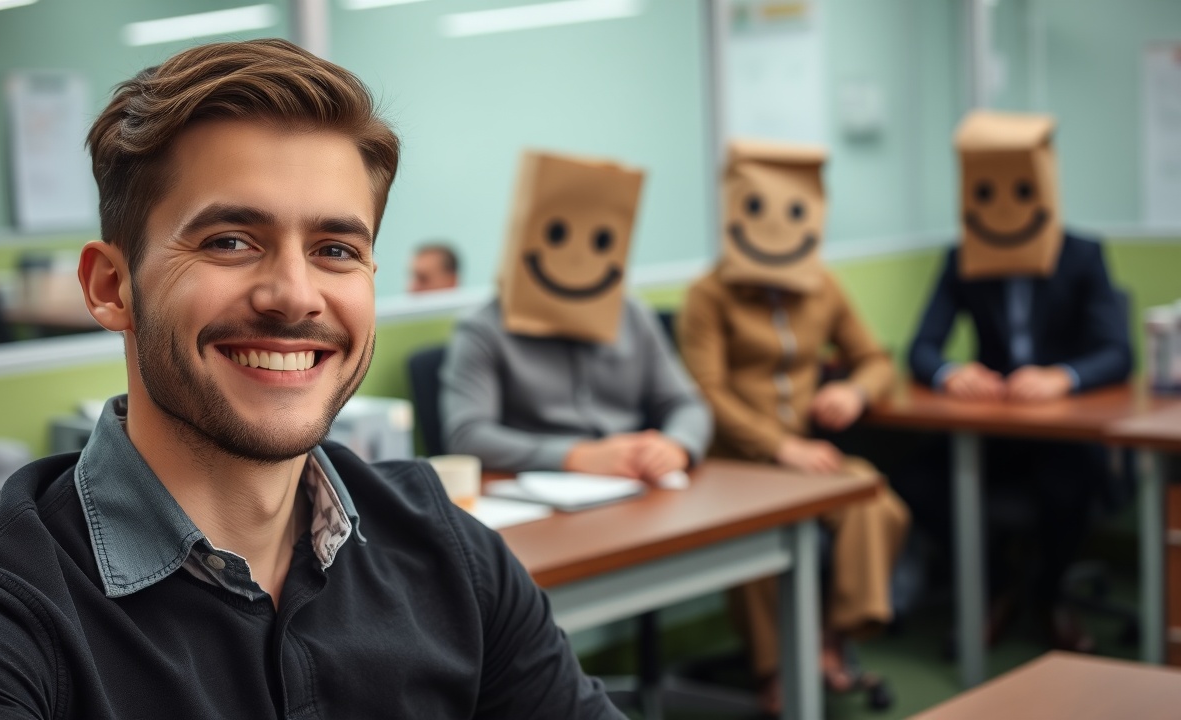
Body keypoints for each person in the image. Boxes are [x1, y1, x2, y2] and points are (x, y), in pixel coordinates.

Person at [0, 40, 621, 719]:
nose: (294, 294)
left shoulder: (453, 557)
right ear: (112, 287)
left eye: (335, 248)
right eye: (230, 241)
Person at [677, 140, 908, 713]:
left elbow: (876, 359)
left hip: (808, 453)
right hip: (735, 458)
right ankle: (774, 669)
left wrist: (853, 390)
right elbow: (707, 391)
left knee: (880, 506)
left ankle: (832, 638)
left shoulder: (821, 285)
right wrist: (778, 445)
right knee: (760, 531)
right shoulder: (708, 294)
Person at [901, 110, 1133, 651]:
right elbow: (921, 348)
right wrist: (949, 371)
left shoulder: (1083, 256)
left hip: (1065, 433)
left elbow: (1118, 352)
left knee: (1066, 487)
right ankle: (998, 587)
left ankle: (1051, 596)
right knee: (917, 481)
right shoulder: (963, 259)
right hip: (995, 428)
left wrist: (1065, 377)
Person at [442, 149, 710, 484]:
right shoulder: (482, 328)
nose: (577, 259)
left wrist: (675, 446)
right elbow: (467, 435)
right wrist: (577, 456)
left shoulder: (634, 315)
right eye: (556, 235)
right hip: (544, 495)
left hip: (638, 487)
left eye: (601, 241)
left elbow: (687, 405)